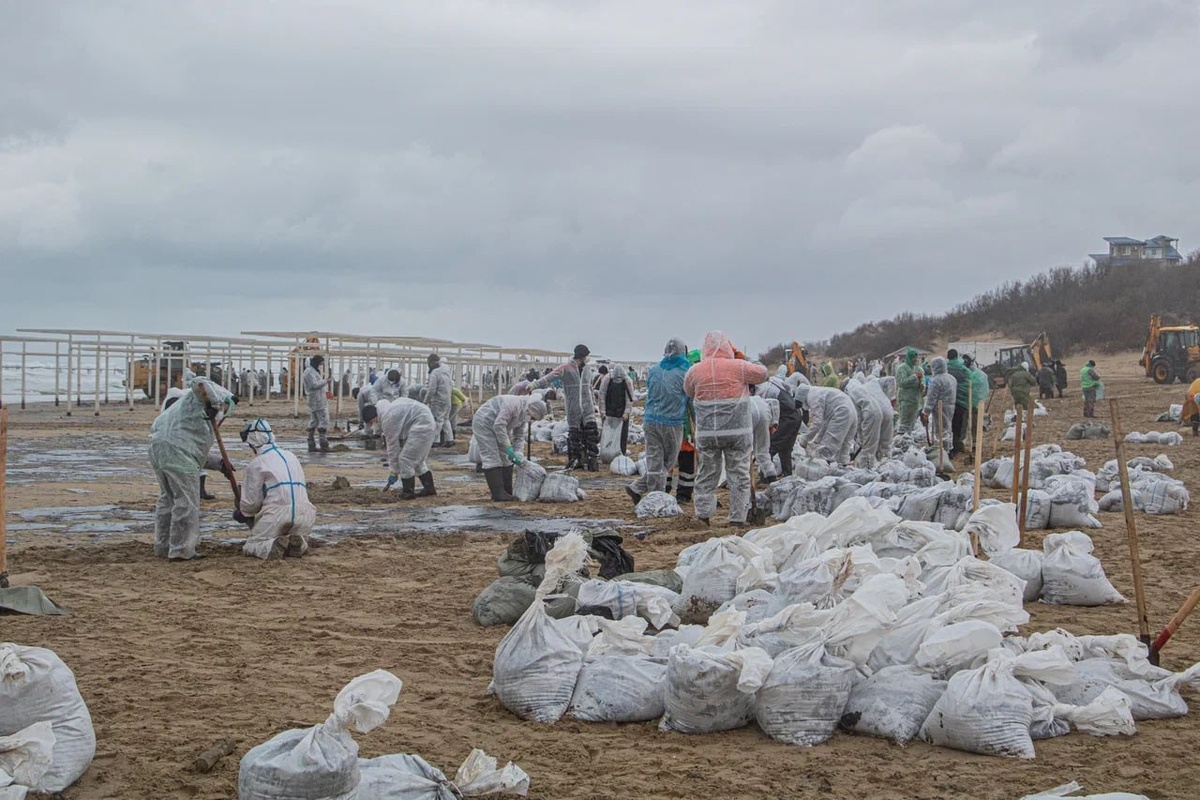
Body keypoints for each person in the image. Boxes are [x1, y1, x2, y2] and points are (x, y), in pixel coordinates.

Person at [684, 332, 768, 526]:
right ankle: (738, 517)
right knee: (738, 473)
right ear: (729, 347)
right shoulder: (739, 367)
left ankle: (703, 514)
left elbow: (688, 391)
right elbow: (762, 373)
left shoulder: (695, 371)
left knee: (707, 472)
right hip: (737, 431)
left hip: (707, 432)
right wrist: (743, 356)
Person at [148, 378, 236, 562]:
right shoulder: (197, 399)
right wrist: (215, 403)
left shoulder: (195, 419)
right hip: (173, 452)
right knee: (186, 502)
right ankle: (181, 550)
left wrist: (220, 464)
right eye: (224, 409)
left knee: (168, 500)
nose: (222, 413)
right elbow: (200, 381)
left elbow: (193, 453)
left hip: (161, 449)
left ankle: (163, 546)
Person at [234, 418, 316, 559]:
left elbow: (251, 504)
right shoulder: (291, 456)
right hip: (305, 514)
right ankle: (299, 544)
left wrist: (242, 513)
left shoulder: (256, 464)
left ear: (253, 442)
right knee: (296, 533)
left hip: (277, 515)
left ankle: (272, 546)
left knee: (253, 544)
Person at [627, 338, 690, 504]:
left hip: (650, 420)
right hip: (672, 422)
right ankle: (655, 499)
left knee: (655, 460)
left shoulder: (654, 370)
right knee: (668, 461)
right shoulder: (685, 372)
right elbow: (691, 400)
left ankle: (638, 487)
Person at [531, 345, 598, 471]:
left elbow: (589, 388)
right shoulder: (566, 368)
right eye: (586, 355)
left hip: (587, 407)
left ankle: (592, 459)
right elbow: (549, 377)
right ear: (581, 356)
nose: (588, 358)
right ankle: (576, 459)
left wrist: (594, 404)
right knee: (575, 435)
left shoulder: (588, 369)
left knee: (591, 432)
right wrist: (534, 384)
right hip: (573, 407)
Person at [471, 395, 549, 501]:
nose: (531, 420)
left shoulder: (523, 417)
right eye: (533, 417)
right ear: (531, 410)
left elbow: (519, 437)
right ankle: (498, 494)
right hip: (484, 422)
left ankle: (507, 491)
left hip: (500, 428)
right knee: (491, 456)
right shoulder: (513, 404)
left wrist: (518, 453)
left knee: (506, 459)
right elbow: (499, 425)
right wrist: (508, 447)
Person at [376, 397, 438, 499]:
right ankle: (429, 489)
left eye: (372, 421)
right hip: (426, 423)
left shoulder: (388, 418)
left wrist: (394, 470)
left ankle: (408, 492)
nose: (374, 424)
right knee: (417, 461)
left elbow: (392, 446)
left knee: (406, 459)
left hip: (422, 426)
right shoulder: (392, 408)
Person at [794, 383, 857, 465]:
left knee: (828, 448)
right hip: (851, 411)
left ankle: (820, 470)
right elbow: (824, 424)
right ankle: (843, 468)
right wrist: (816, 440)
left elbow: (817, 423)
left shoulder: (813, 397)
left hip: (841, 412)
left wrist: (804, 439)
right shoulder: (818, 391)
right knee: (844, 448)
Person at [754, 375, 802, 478]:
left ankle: (766, 478)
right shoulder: (773, 381)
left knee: (769, 447)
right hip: (796, 414)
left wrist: (771, 426)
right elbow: (789, 389)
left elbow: (767, 412)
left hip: (786, 417)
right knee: (786, 448)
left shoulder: (762, 392)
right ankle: (787, 475)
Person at [920, 357, 956, 457]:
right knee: (948, 428)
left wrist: (926, 411)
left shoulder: (936, 380)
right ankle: (949, 447)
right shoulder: (952, 378)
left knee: (941, 430)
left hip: (940, 408)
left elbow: (931, 398)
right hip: (951, 406)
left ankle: (943, 452)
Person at [845, 377, 883, 468]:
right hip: (877, 412)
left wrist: (860, 437)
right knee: (871, 445)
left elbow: (858, 416)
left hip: (869, 415)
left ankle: (865, 470)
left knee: (867, 447)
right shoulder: (857, 388)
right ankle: (868, 466)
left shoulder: (851, 392)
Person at [599, 364, 635, 456]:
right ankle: (607, 453)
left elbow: (629, 399)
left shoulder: (627, 381)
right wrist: (602, 412)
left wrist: (626, 413)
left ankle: (621, 453)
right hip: (609, 411)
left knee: (622, 434)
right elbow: (602, 396)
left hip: (621, 411)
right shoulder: (607, 379)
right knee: (607, 433)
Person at [302, 355, 332, 453]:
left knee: (313, 421)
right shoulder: (309, 372)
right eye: (320, 363)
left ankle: (311, 444)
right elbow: (314, 385)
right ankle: (323, 443)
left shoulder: (310, 371)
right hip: (317, 400)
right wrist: (326, 381)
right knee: (323, 419)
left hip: (315, 400)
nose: (321, 366)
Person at [945, 349, 972, 458]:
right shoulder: (963, 369)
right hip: (961, 402)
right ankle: (956, 447)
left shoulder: (945, 368)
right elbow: (970, 382)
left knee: (947, 426)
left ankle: (947, 448)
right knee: (957, 426)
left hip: (947, 402)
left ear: (948, 357)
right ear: (957, 357)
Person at [425, 354, 455, 447]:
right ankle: (450, 439)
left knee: (437, 421)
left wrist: (426, 401)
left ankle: (435, 441)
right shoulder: (446, 372)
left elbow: (432, 389)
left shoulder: (435, 373)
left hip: (438, 400)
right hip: (447, 400)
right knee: (446, 420)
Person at [749, 395, 781, 481]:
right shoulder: (766, 406)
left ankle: (744, 482)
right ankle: (771, 478)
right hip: (762, 417)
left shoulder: (759, 400)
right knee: (763, 451)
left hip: (748, 414)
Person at [963, 355, 990, 446]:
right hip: (973, 403)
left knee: (974, 423)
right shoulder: (979, 374)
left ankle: (975, 442)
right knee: (971, 423)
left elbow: (979, 389)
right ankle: (972, 441)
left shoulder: (976, 375)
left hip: (974, 403)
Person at [895, 348, 922, 435]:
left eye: (916, 359)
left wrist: (922, 385)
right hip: (905, 400)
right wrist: (914, 377)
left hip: (915, 400)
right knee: (904, 421)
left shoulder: (918, 369)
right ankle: (901, 440)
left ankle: (909, 439)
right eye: (913, 359)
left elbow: (922, 381)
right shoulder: (902, 368)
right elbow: (902, 382)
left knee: (912, 422)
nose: (915, 360)